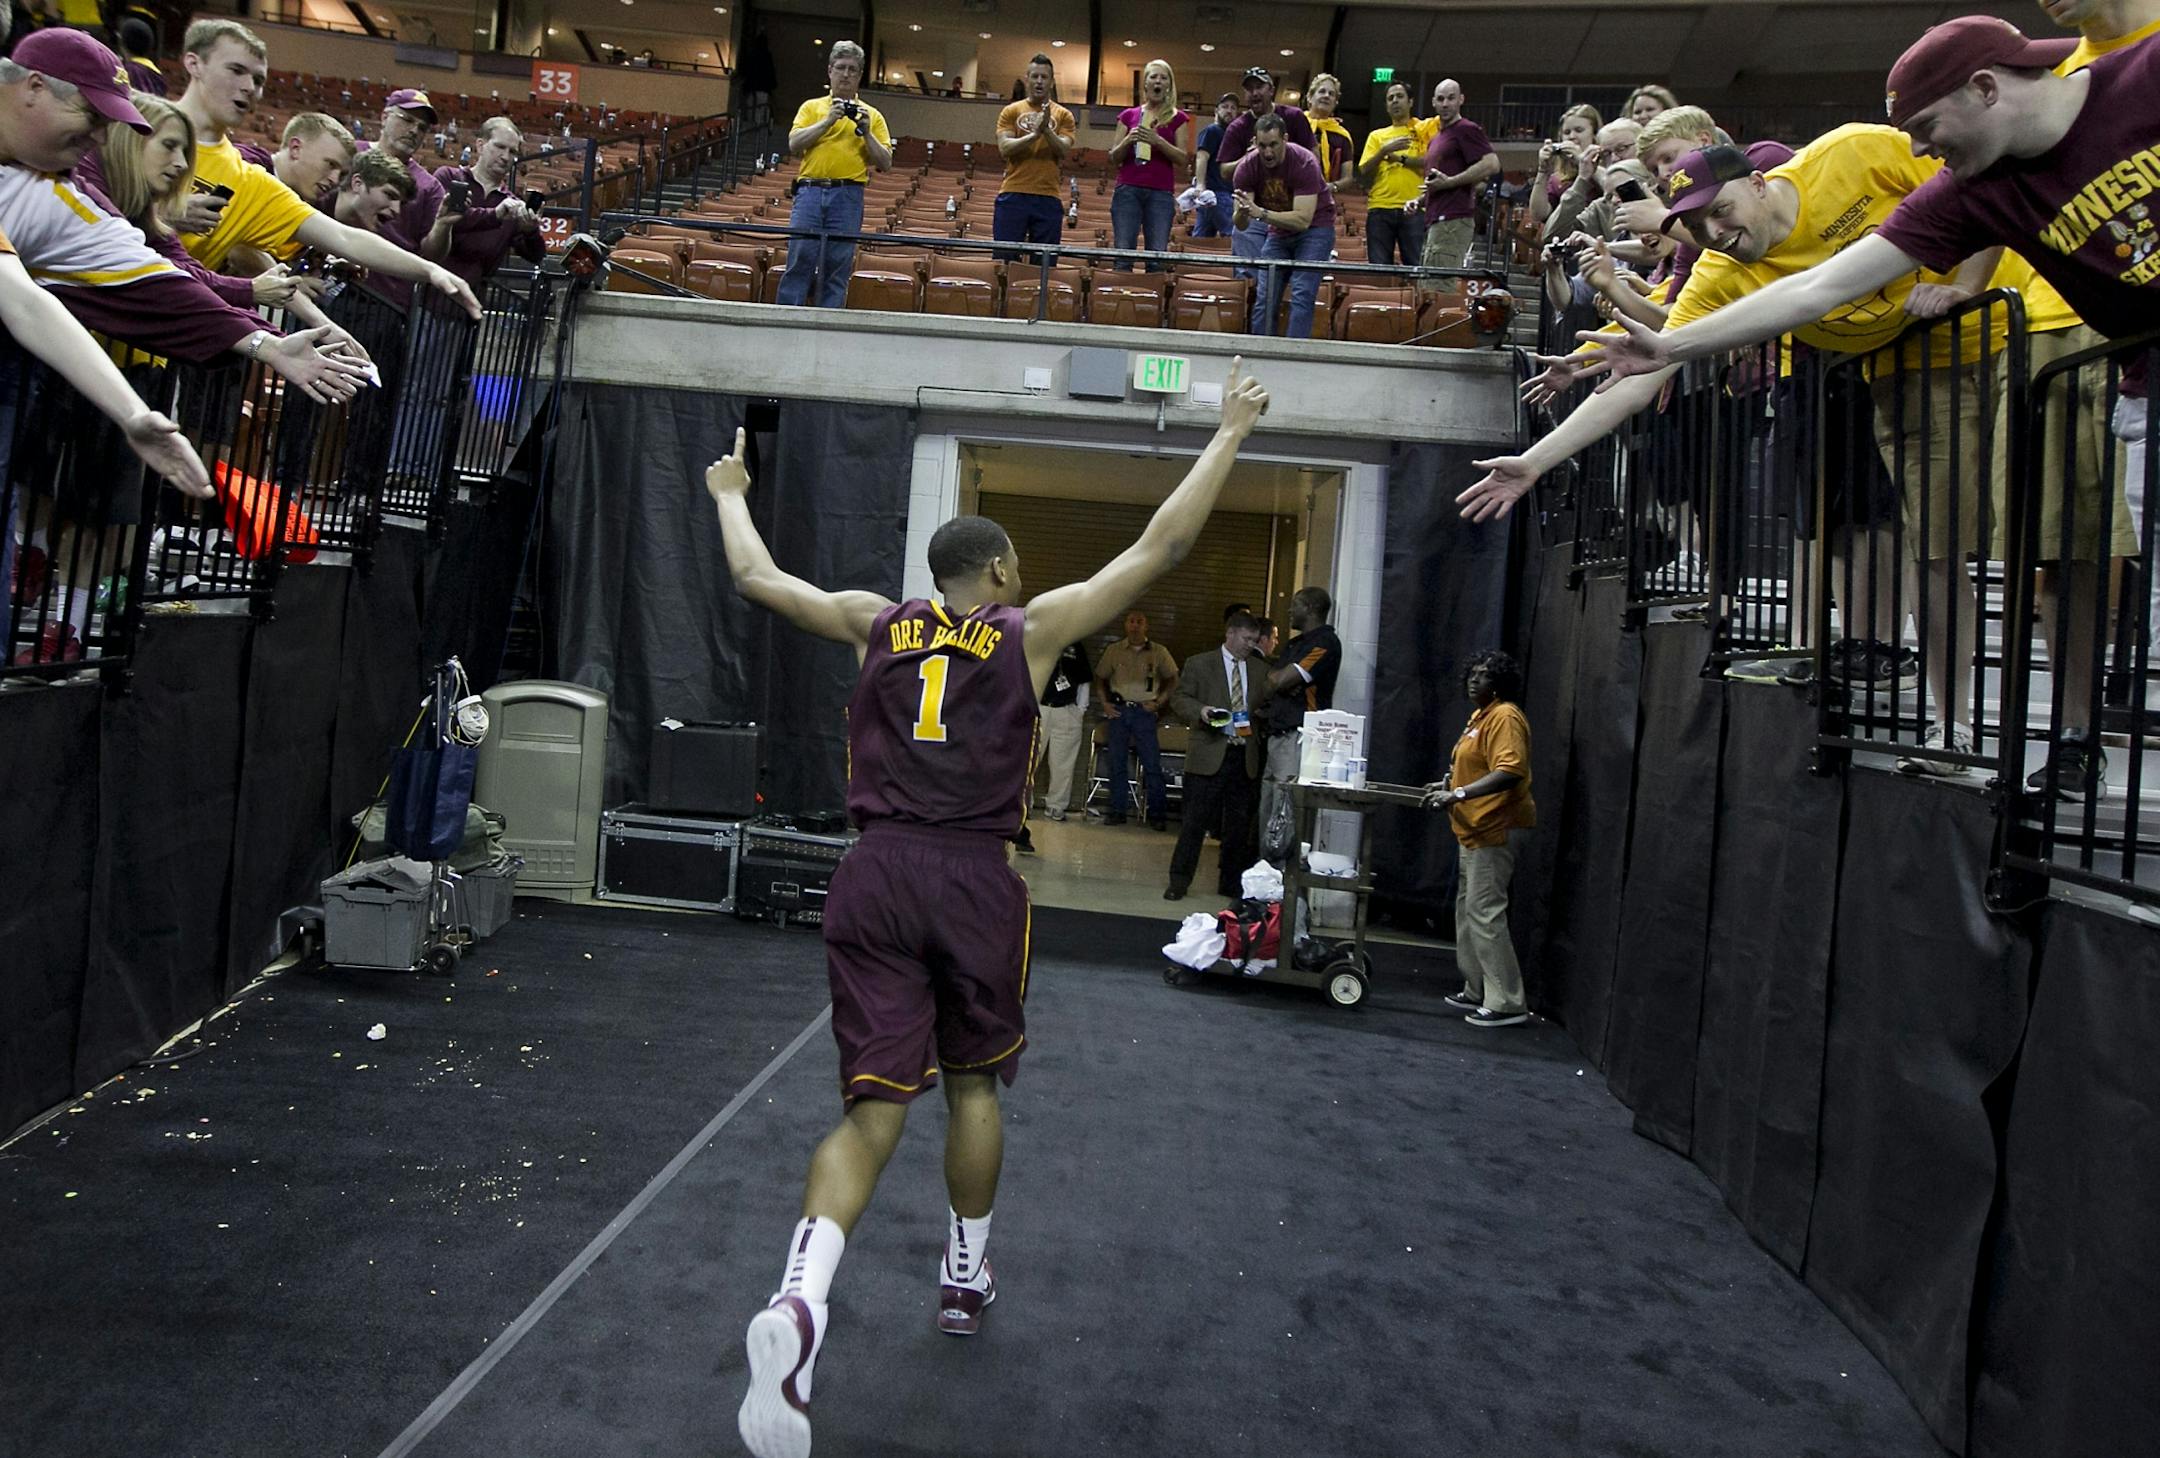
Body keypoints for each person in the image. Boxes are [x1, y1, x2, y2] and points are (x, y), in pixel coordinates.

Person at [714, 363, 1271, 1458]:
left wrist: (732, 491)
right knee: (971, 1087)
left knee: (873, 1109)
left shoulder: (875, 621)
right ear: (1003, 570)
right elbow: (1158, 547)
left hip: (871, 870)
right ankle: (963, 1276)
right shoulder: (1030, 630)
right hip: (972, 879)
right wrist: (1232, 433)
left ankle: (801, 1300)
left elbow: (758, 580)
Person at [1466, 122, 2047, 773]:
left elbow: (1980, 186)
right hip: (1894, 367)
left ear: (1760, 182)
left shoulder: (1851, 154)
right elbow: (1642, 376)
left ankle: (1978, 722)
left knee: (1980, 540)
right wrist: (1537, 460)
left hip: (1999, 329)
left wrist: (1966, 287)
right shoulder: (1718, 270)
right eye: (1699, 222)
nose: (1716, 231)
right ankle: (1955, 728)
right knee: (1932, 545)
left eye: (1722, 210)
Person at [164, 20, 478, 317]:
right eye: (236, 70)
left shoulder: (248, 177)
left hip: (160, 338)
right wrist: (161, 213)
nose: (249, 87)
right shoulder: (139, 124)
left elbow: (344, 238)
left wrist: (431, 270)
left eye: (258, 80)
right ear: (194, 64)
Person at [1423, 651, 1535, 1029]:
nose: (1475, 680)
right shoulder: (1480, 717)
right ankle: (1478, 987)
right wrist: (1449, 785)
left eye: (1485, 675)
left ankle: (1506, 1001)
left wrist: (1458, 795)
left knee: (1486, 912)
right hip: (1471, 829)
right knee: (1468, 909)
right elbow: (1475, 766)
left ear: (1499, 683)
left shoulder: (1505, 717)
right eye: (1472, 673)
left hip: (1495, 828)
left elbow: (1510, 770)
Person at [778, 40, 890, 308]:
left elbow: (885, 162)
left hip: (848, 195)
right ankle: (785, 323)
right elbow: (794, 144)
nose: (846, 74)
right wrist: (828, 120)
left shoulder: (872, 116)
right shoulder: (811, 107)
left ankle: (828, 331)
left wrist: (866, 131)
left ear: (860, 76)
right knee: (798, 260)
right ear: (830, 71)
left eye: (853, 69)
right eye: (840, 68)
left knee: (838, 267)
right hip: (810, 192)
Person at [1165, 610, 1263, 902]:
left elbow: (1265, 704)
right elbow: (1179, 699)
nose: (1250, 645)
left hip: (1243, 755)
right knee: (1194, 823)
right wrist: (1202, 712)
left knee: (1238, 828)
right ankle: (1178, 881)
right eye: (1246, 639)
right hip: (1208, 753)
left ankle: (1231, 883)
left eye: (1254, 640)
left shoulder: (1260, 669)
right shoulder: (1199, 663)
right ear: (1230, 634)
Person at [1230, 113, 1335, 339]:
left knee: (1302, 292)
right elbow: (1241, 223)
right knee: (1265, 295)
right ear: (1254, 144)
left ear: (1285, 139)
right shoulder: (1246, 168)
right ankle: (1261, 351)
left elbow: (1303, 220)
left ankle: (1292, 354)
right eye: (1262, 146)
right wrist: (1242, 212)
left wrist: (1261, 213)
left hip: (1315, 229)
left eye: (1274, 145)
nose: (1268, 152)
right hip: (1278, 232)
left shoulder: (1304, 162)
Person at [1259, 587, 1341, 833]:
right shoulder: (1296, 643)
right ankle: (1267, 867)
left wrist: (1281, 683)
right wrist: (1280, 683)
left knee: (1285, 812)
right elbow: (1271, 680)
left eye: (1295, 604)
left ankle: (1284, 869)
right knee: (1268, 809)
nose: (1289, 610)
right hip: (1277, 735)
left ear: (1311, 609)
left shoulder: (1325, 642)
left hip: (1299, 737)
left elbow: (1280, 680)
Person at [1092, 609, 1179, 828]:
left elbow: (1173, 678)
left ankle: (1157, 815)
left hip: (1144, 713)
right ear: (1125, 625)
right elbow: (1100, 677)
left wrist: (1159, 702)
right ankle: (1117, 811)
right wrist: (1104, 703)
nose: (1135, 625)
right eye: (1131, 621)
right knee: (1116, 763)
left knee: (1152, 765)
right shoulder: (1114, 651)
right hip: (1119, 712)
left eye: (1139, 621)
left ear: (1146, 626)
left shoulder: (1158, 652)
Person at [434, 115, 544, 284]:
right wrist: (495, 215)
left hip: (471, 300)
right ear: (480, 145)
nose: (506, 157)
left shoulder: (512, 205)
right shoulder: (449, 177)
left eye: (512, 151)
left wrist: (531, 231)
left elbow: (536, 255)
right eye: (500, 147)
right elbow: (446, 219)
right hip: (427, 294)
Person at [1107, 58, 1189, 271]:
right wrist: (1128, 140)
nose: (1158, 81)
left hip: (1160, 195)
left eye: (1163, 78)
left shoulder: (1178, 118)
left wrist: (1158, 141)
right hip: (1128, 190)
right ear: (1145, 83)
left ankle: (1153, 302)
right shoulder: (1128, 116)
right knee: (1124, 254)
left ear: (1169, 85)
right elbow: (1114, 157)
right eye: (1153, 77)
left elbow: (1182, 159)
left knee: (1156, 257)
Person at [991, 55, 1074, 261]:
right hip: (1013, 194)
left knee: (1044, 264)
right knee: (1004, 259)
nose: (1039, 81)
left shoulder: (1064, 115)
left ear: (1051, 81)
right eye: (1035, 76)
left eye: (1044, 77)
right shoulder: (1011, 111)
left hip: (1048, 197)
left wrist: (1046, 130)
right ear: (1027, 78)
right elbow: (1005, 148)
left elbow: (1063, 150)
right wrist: (1034, 135)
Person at [1418, 79, 1497, 272]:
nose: (1445, 104)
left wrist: (1450, 182)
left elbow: (1492, 164)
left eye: (1451, 98)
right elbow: (1439, 183)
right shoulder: (1437, 139)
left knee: (1440, 286)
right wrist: (1419, 200)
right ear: (1433, 102)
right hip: (1435, 219)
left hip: (1452, 219)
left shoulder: (1466, 129)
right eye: (1441, 99)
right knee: (1428, 286)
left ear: (1461, 99)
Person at [1357, 81, 1432, 266]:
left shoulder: (1423, 132)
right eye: (1390, 98)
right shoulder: (1377, 136)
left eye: (1400, 97)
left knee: (1415, 267)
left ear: (1411, 102)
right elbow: (1364, 170)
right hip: (1380, 209)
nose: (1395, 101)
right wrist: (1383, 151)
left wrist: (1399, 158)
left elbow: (1431, 163)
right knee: (1379, 268)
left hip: (1414, 208)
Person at [242, 112, 355, 212]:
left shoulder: (313, 200)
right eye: (330, 164)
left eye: (342, 174)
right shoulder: (244, 164)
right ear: (296, 149)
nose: (335, 180)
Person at [1033, 638, 1093, 820]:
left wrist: (1080, 710)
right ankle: (1021, 804)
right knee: (1028, 760)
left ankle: (1056, 806)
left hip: (1066, 710)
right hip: (1038, 708)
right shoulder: (1037, 640)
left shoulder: (1076, 646)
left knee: (1063, 764)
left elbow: (1084, 680)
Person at [1528, 103, 1601, 234]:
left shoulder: (1606, 167)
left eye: (1579, 130)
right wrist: (1543, 170)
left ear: (1594, 134)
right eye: (1567, 132)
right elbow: (1538, 214)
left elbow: (1612, 186)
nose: (1572, 136)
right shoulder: (1557, 178)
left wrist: (1581, 160)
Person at [1190, 93, 1238, 239]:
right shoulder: (1212, 130)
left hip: (1213, 196)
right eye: (1225, 107)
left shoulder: (1232, 135)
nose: (1229, 111)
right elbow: (1202, 157)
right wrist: (1200, 186)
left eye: (1233, 108)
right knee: (1234, 236)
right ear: (1216, 110)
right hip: (1217, 193)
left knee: (1201, 239)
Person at [1303, 73, 1354, 192]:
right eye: (1322, 91)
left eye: (1331, 94)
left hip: (1325, 197)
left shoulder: (1342, 136)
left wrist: (1331, 187)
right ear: (1310, 97)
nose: (1326, 96)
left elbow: (1347, 178)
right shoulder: (1295, 124)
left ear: (1336, 103)